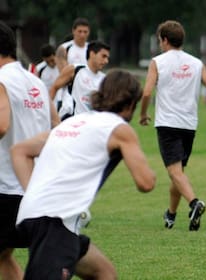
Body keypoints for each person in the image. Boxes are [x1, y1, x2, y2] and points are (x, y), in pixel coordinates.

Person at [11, 70, 156, 279]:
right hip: (55, 222)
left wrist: (34, 194)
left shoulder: (74, 122)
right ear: (131, 103)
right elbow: (145, 183)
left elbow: (20, 151)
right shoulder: (119, 128)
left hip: (41, 216)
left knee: (104, 273)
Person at [139, 20, 206, 231]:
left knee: (175, 172)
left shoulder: (158, 62)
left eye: (160, 40)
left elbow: (147, 92)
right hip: (189, 124)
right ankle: (171, 215)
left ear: (164, 40)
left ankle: (194, 203)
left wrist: (143, 113)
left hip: (167, 123)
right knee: (178, 172)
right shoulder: (196, 62)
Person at [0, 20, 60, 279]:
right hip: (33, 187)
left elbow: (1, 126)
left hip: (4, 187)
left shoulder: (1, 79)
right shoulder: (35, 82)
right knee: (3, 255)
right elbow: (57, 126)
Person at [50, 40, 110, 119]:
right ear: (92, 54)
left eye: (107, 58)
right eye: (103, 56)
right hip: (72, 121)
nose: (106, 61)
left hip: (92, 125)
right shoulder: (75, 69)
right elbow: (54, 88)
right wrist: (49, 113)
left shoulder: (104, 79)